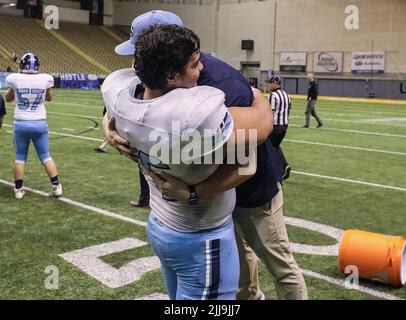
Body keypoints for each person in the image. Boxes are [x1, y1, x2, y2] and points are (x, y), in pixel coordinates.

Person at [105, 11, 307, 300]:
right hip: (200, 209)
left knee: (279, 265)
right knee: (238, 266)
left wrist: (195, 192)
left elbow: (252, 148)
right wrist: (108, 130)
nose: (135, 64)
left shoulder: (219, 89)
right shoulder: (149, 80)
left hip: (248, 192)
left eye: (139, 52)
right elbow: (115, 111)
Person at [5, 53, 62, 200]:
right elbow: (49, 98)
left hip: (21, 122)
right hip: (39, 122)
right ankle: (56, 187)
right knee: (45, 156)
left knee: (20, 157)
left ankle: (18, 190)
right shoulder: (45, 78)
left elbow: (8, 99)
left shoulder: (15, 79)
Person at [267, 75, 292, 180]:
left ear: (275, 83)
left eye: (270, 83)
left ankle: (280, 167)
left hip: (276, 126)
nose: (268, 85)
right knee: (275, 147)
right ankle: (284, 166)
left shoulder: (273, 95)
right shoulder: (286, 95)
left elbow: (271, 112)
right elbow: (289, 109)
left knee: (269, 148)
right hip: (284, 125)